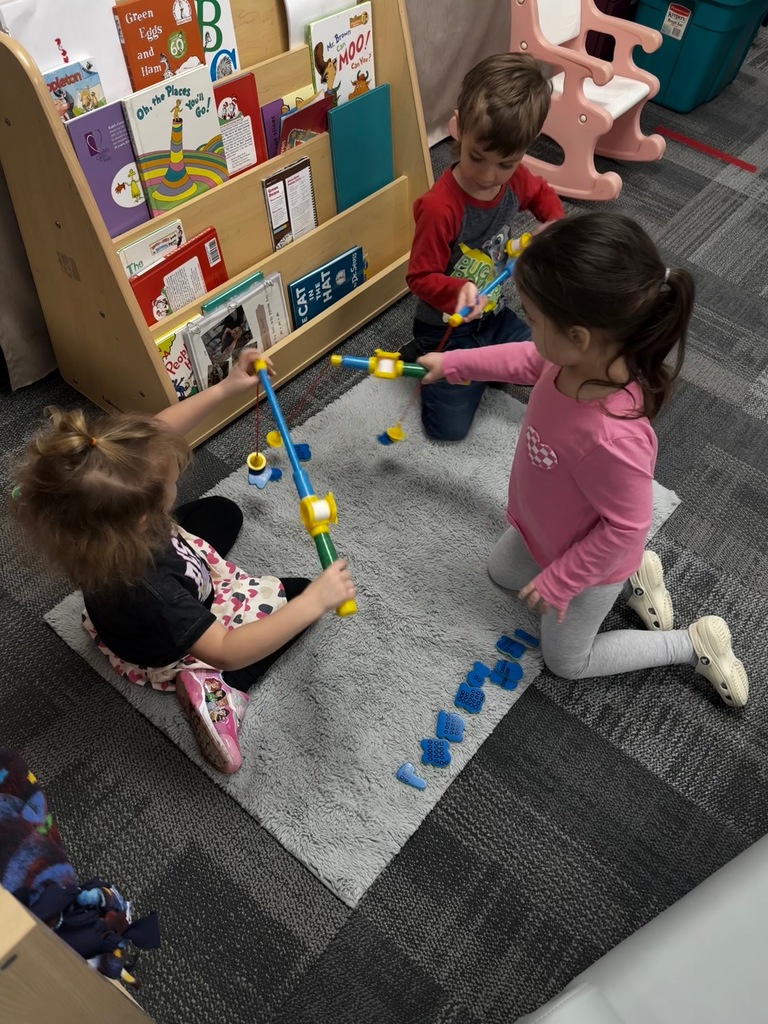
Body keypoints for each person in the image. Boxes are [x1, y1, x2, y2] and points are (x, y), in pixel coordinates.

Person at [417, 212, 748, 704]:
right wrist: (456, 365)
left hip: (590, 560)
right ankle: (642, 576)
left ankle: (691, 643)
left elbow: (627, 528)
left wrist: (564, 578)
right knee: (501, 573)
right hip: (544, 527)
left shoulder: (614, 440)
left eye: (531, 316)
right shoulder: (569, 357)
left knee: (566, 662)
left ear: (578, 337)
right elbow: (524, 360)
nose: (525, 325)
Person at [12, 350, 357, 772]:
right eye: (172, 482)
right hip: (167, 643)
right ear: (142, 516)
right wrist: (314, 602)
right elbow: (228, 649)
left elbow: (158, 431)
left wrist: (226, 388)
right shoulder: (153, 591)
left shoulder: (93, 513)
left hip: (139, 593)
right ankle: (218, 689)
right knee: (300, 596)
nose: (178, 478)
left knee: (223, 511)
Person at [402, 52, 565, 442]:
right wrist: (458, 290)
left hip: (494, 316)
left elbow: (545, 200)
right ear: (458, 128)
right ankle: (428, 357)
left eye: (505, 163)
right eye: (477, 157)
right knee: (448, 430)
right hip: (447, 332)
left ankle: (483, 364)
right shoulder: (441, 207)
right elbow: (419, 277)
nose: (489, 176)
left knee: (554, 361)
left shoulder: (515, 178)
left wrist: (550, 230)